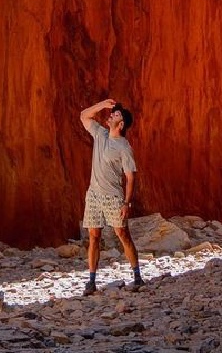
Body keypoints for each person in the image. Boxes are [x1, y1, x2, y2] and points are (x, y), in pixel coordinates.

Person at [79, 96, 143, 295]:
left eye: (115, 114)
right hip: (94, 196)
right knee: (93, 237)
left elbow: (130, 177)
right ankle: (91, 282)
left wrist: (126, 203)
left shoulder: (124, 147)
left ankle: (137, 277)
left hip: (113, 197)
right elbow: (83, 116)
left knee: (123, 235)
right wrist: (100, 105)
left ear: (121, 123)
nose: (110, 115)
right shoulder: (100, 133)